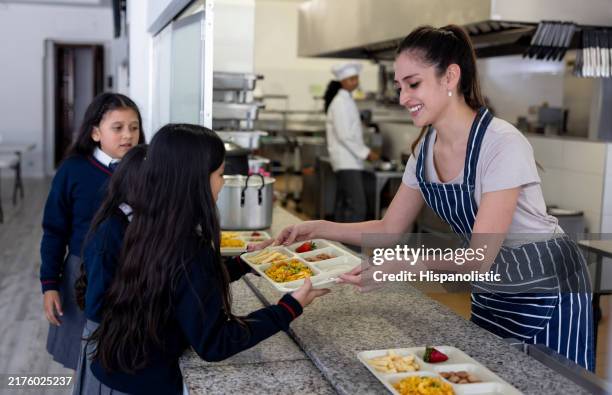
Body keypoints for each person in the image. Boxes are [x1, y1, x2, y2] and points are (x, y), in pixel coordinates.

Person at [276, 25, 594, 371]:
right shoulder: (424, 150)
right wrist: (320, 228)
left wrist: (404, 265)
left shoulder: (501, 142)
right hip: (492, 288)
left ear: (450, 77)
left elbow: (479, 256)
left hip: (547, 289)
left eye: (413, 84)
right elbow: (388, 229)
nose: (403, 98)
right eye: (400, 87)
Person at [77, 124, 329, 395]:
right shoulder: (187, 246)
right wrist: (288, 308)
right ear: (196, 180)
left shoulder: (147, 223)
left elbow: (180, 282)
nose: (222, 183)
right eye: (220, 174)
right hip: (143, 384)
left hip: (113, 371)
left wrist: (245, 262)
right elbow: (215, 342)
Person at [40, 93, 144, 370]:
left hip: (133, 273)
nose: (128, 135)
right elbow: (53, 231)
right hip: (81, 274)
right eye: (118, 127)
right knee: (82, 355)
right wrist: (50, 284)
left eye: (134, 127)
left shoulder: (146, 170)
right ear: (96, 132)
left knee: (122, 357)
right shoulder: (72, 170)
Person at [324, 62, 379, 222]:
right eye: (351, 79)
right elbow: (345, 135)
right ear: (342, 81)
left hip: (349, 160)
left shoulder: (347, 100)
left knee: (344, 204)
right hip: (346, 160)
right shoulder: (340, 103)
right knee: (357, 205)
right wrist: (365, 152)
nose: (355, 82)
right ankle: (351, 246)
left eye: (356, 78)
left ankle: (340, 244)